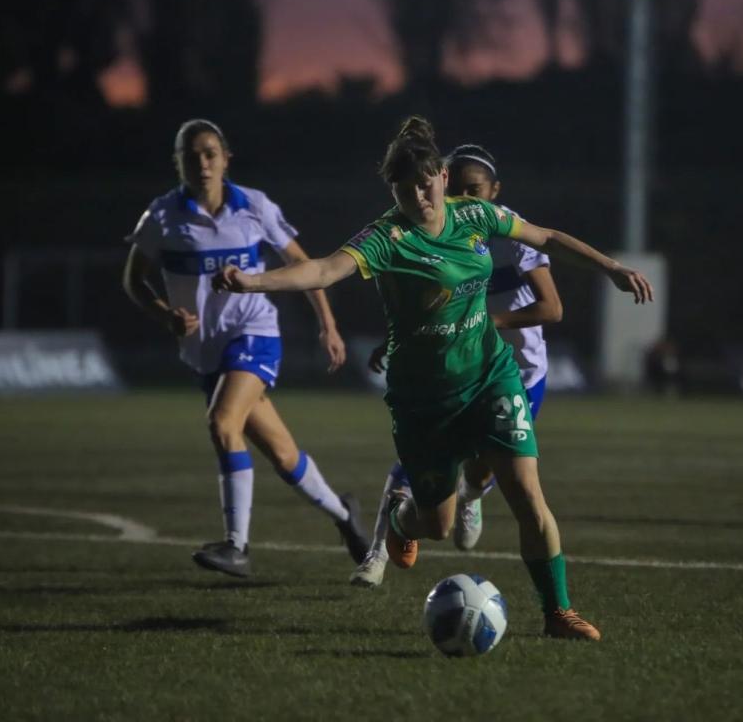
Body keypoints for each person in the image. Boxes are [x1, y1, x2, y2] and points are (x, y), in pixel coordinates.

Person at [212, 116, 653, 639]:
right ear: (392, 190)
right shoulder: (386, 237)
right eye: (404, 188)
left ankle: (557, 612)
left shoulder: (475, 214)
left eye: (425, 183)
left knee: (528, 495)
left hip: (491, 376)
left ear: (442, 177)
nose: (419, 195)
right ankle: (402, 519)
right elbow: (325, 269)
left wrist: (610, 267)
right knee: (437, 525)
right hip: (425, 400)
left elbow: (548, 236)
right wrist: (252, 281)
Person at [123, 118, 370, 579]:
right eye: (192, 154)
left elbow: (303, 264)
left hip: (254, 333)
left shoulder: (253, 206)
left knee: (221, 423)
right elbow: (133, 279)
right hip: (205, 352)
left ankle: (237, 546)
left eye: (210, 153)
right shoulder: (161, 216)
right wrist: (165, 315)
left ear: (225, 158)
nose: (202, 162)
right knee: (282, 454)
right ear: (178, 162)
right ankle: (344, 515)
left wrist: (328, 325)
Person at [350, 143, 562, 588]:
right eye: (458, 188)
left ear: (495, 191)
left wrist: (487, 318)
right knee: (415, 460)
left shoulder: (507, 233)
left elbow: (552, 309)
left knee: (486, 469)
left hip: (517, 372)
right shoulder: (430, 233)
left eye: (476, 189)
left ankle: (471, 495)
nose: (466, 198)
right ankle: (375, 555)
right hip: (450, 371)